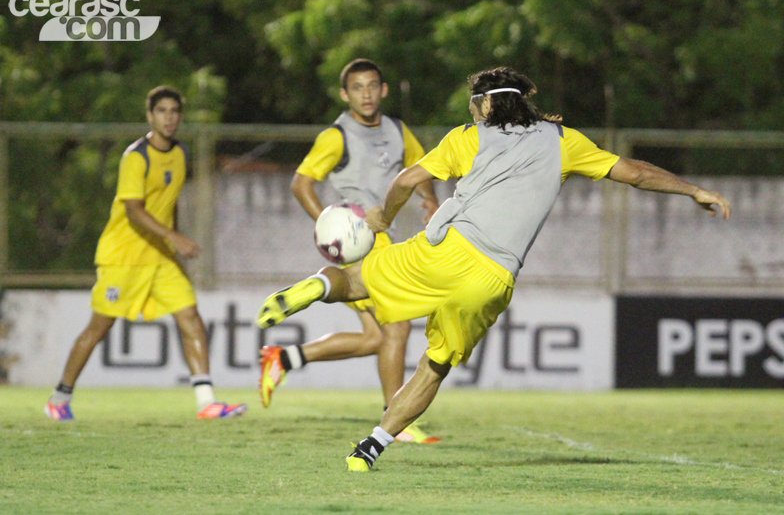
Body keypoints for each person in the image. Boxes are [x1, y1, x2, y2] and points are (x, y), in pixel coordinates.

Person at [255, 66, 731, 471]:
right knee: (435, 365)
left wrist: (383, 217)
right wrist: (694, 191)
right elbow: (636, 173)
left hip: (445, 248)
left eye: (472, 102)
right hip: (492, 278)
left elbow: (407, 179)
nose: (470, 110)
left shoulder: (466, 138)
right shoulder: (565, 141)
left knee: (359, 280)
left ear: (486, 105)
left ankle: (313, 288)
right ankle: (371, 447)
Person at [258, 58, 441, 443]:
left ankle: (284, 358)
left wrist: (430, 199)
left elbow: (419, 168)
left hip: (386, 243)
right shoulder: (336, 136)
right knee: (399, 328)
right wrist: (330, 226)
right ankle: (396, 420)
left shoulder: (397, 130)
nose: (367, 94)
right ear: (345, 95)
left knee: (377, 338)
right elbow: (301, 184)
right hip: (361, 245)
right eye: (357, 88)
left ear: (384, 89)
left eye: (373, 86)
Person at [44, 86, 246, 421]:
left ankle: (206, 401)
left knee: (190, 317)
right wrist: (175, 237)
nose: (169, 117)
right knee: (99, 327)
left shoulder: (180, 154)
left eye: (174, 111)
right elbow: (134, 209)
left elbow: (170, 203)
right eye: (162, 111)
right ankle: (59, 397)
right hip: (124, 256)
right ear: (150, 115)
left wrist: (174, 245)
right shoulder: (136, 156)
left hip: (161, 258)